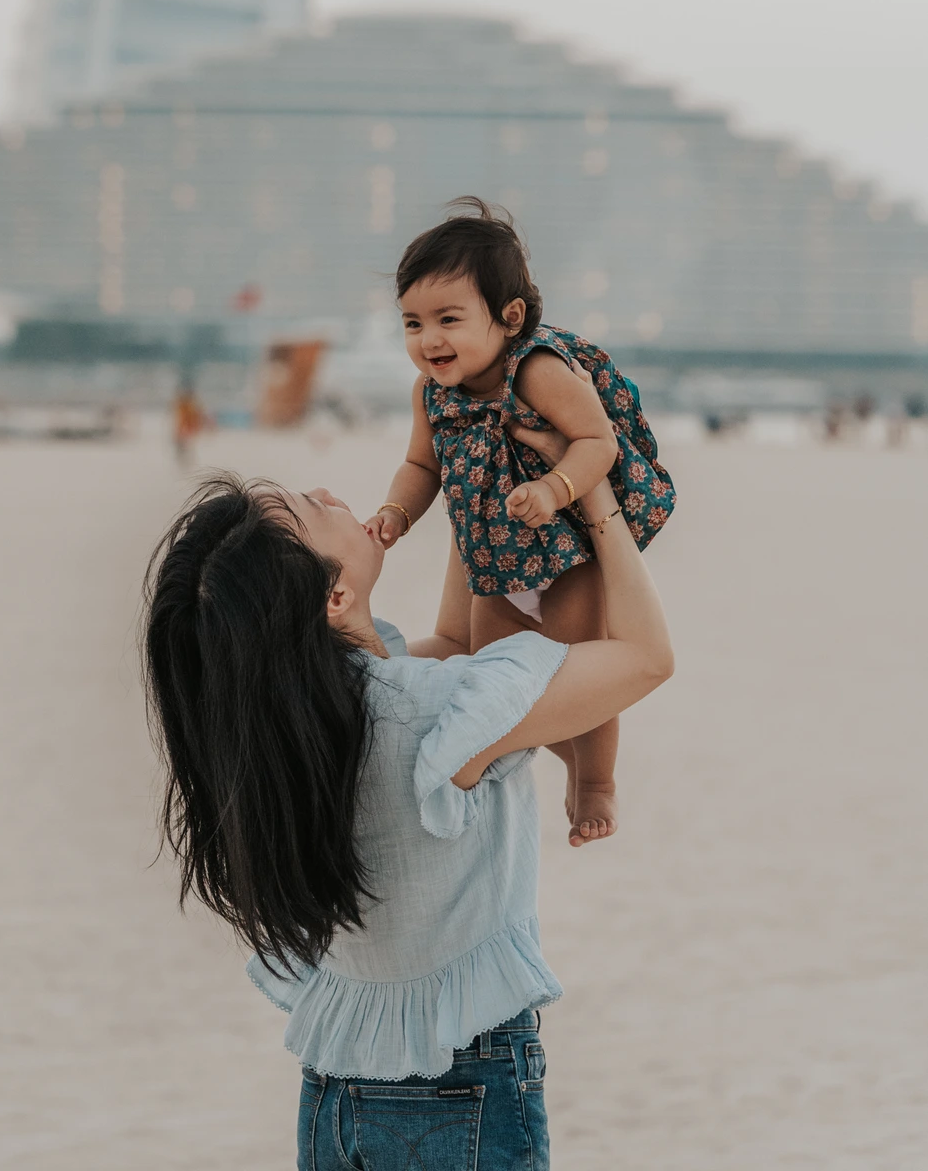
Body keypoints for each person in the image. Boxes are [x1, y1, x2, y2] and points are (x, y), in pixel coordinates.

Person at [142, 425, 673, 1168]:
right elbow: (646, 659)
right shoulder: (430, 711)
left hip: (336, 1095)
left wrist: (469, 478)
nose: (332, 494)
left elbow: (454, 645)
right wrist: (597, 496)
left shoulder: (291, 727)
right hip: (458, 1080)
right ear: (334, 597)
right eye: (313, 506)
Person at [365, 200, 675, 848]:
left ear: (508, 318)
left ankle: (593, 781)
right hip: (491, 557)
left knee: (568, 670)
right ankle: (541, 753)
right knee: (495, 669)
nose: (428, 340)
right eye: (412, 323)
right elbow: (420, 466)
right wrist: (395, 512)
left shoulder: (537, 371)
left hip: (564, 551)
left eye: (448, 320)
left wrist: (553, 486)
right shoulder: (432, 393)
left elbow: (597, 443)